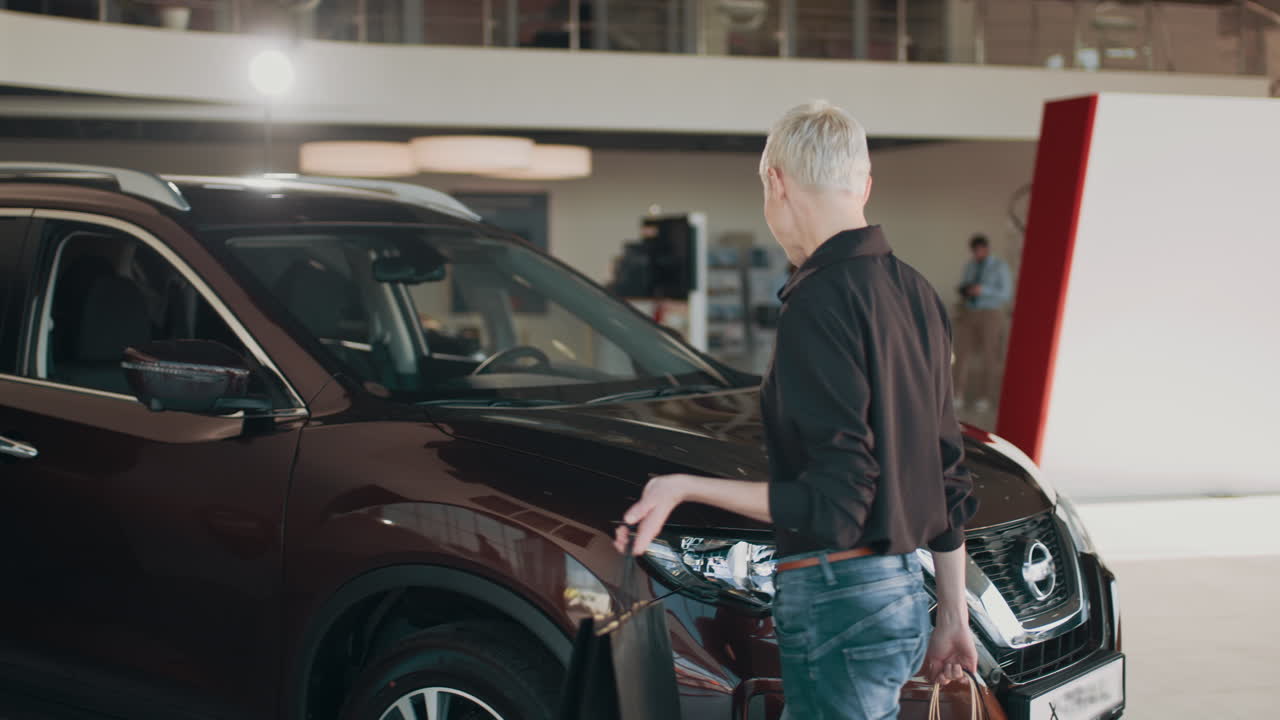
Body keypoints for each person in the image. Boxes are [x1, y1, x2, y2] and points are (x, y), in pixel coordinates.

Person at [615, 101, 978, 719]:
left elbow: (838, 501)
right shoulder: (916, 292)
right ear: (864, 186)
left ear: (775, 182)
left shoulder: (818, 299)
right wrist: (952, 614)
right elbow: (948, 473)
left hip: (839, 598)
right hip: (901, 594)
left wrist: (684, 487)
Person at [953, 234, 1012, 414]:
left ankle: (985, 397)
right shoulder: (970, 265)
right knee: (961, 354)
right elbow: (964, 285)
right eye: (974, 251)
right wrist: (966, 289)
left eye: (979, 250)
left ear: (986, 249)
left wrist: (983, 290)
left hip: (990, 313)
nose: (976, 254)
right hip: (969, 312)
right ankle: (957, 394)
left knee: (989, 355)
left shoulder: (999, 266)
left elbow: (1006, 293)